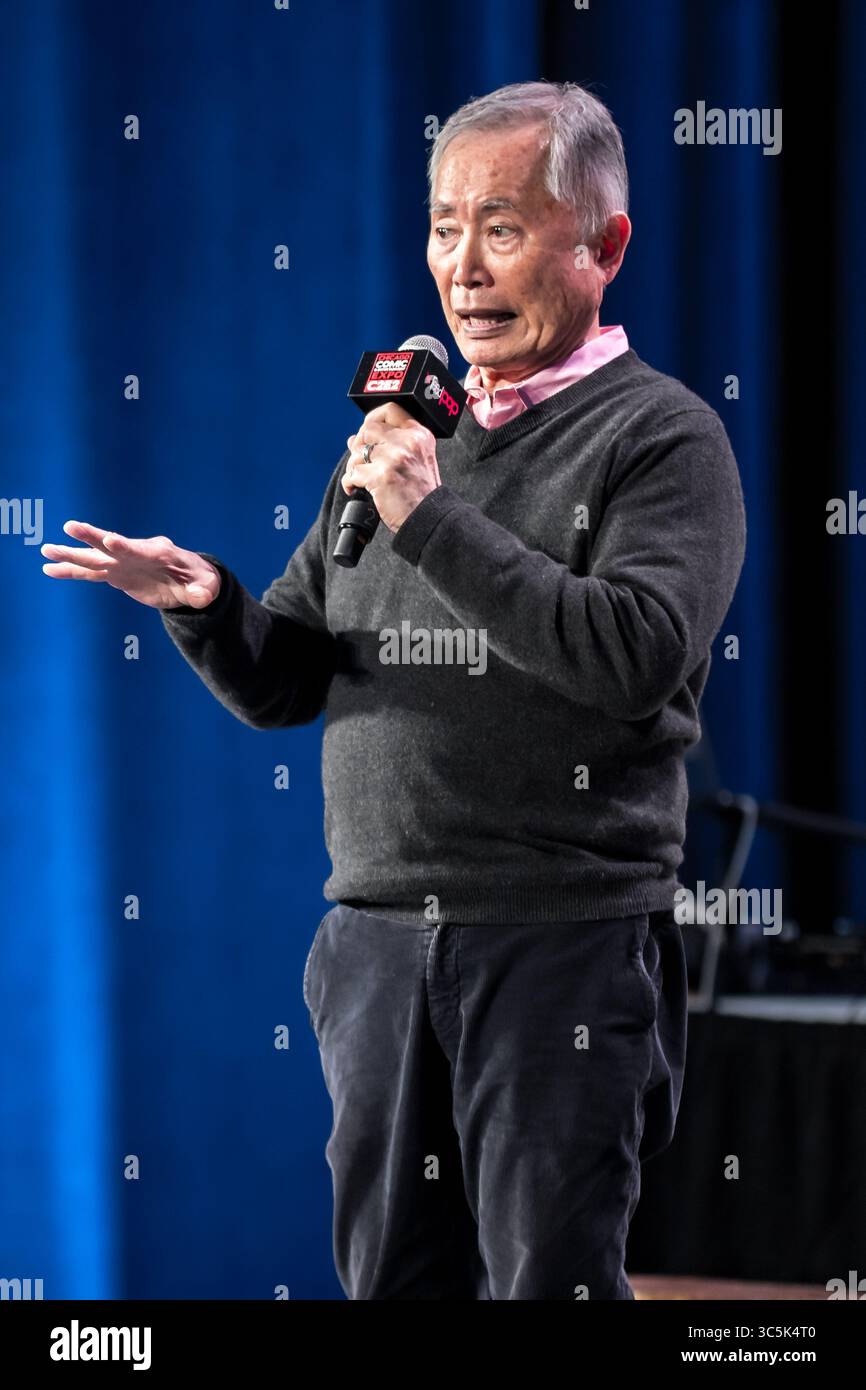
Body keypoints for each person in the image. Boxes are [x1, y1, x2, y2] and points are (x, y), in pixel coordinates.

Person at [40, 80, 746, 1300]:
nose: (461, 269)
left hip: (558, 947)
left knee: (548, 1282)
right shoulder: (402, 433)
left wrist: (431, 514)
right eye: (441, 226)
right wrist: (203, 602)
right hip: (372, 949)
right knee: (391, 1284)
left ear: (604, 246)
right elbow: (291, 677)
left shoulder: (660, 439)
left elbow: (629, 655)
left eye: (504, 229)